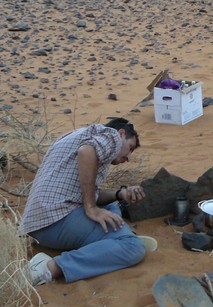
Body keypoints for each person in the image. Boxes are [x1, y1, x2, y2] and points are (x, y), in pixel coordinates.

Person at [21, 117, 147, 285]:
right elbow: (86, 152)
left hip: (37, 222)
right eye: (130, 148)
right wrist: (91, 208)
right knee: (133, 247)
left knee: (111, 206)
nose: (128, 157)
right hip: (53, 222)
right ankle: (50, 267)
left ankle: (113, 239)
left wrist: (120, 193)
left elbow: (88, 192)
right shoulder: (111, 136)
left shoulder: (78, 135)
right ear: (121, 133)